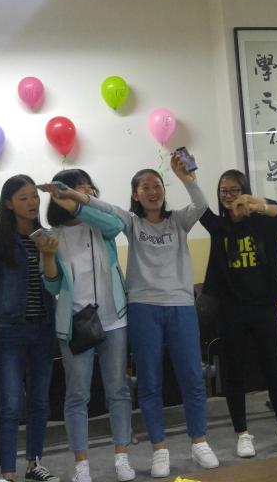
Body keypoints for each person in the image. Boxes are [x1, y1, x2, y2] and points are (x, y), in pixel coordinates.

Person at [78, 153, 219, 478]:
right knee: (150, 381)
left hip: (181, 306)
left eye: (157, 186)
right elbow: (107, 209)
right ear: (136, 194)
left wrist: (186, 178)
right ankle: (159, 449)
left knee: (192, 377)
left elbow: (200, 205)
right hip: (143, 308)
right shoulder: (132, 222)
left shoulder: (178, 221)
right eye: (146, 187)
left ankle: (199, 442)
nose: (153, 192)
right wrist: (79, 195)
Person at [38, 169, 135, 482]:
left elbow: (117, 225)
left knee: (118, 389)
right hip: (75, 324)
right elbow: (52, 286)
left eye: (89, 188)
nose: (87, 192)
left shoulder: (100, 226)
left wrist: (77, 202)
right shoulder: (54, 234)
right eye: (79, 188)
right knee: (77, 394)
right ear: (60, 195)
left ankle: (122, 457)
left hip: (114, 319)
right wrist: (48, 256)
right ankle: (81, 464)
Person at [197, 169, 277, 458]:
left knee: (273, 368)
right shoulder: (219, 227)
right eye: (224, 191)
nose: (229, 196)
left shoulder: (264, 223)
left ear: (245, 191)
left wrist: (257, 203)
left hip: (264, 307)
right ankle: (242, 433)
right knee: (234, 372)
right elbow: (199, 206)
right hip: (230, 310)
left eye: (235, 190)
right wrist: (189, 179)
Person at [0, 175, 60, 482]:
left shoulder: (47, 237)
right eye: (24, 197)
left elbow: (54, 280)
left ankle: (34, 463)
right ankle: (8, 472)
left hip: (43, 327)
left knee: (40, 400)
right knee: (11, 403)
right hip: (11, 330)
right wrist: (2, 318)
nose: (32, 202)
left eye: (35, 196)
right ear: (8, 203)